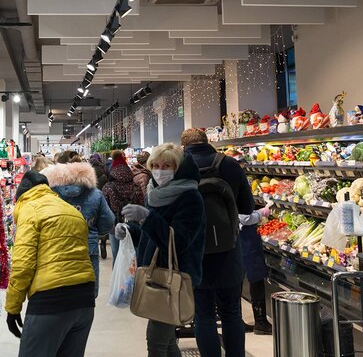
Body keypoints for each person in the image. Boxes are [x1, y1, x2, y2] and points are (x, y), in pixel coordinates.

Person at [115, 143, 206, 357]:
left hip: (175, 276)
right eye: (155, 165)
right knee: (167, 342)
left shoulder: (190, 197)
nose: (159, 171)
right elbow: (151, 236)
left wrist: (147, 217)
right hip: (157, 274)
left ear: (178, 168)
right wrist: (130, 230)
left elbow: (179, 241)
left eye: (166, 166)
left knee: (156, 340)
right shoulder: (156, 193)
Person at [5, 170, 97, 357]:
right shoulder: (72, 211)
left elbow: (23, 265)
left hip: (50, 302)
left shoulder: (30, 209)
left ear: (21, 196)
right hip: (84, 300)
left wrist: (13, 308)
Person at [181, 128, 254, 357]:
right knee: (231, 313)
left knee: (203, 315)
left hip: (194, 252)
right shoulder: (230, 164)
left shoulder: (179, 167)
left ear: (184, 146)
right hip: (228, 250)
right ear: (207, 141)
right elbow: (247, 207)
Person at [43, 155, 115, 297]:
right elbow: (107, 223)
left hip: (55, 250)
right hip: (87, 250)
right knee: (86, 297)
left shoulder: (50, 193)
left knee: (58, 296)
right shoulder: (95, 194)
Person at [102, 150, 145, 263]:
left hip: (115, 226)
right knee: (134, 258)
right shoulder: (136, 186)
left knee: (117, 258)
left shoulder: (108, 187)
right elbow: (142, 205)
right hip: (134, 227)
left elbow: (105, 210)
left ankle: (117, 275)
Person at [239, 204, 274, 335]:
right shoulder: (237, 192)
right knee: (256, 277)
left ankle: (237, 321)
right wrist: (261, 213)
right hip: (246, 238)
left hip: (241, 236)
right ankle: (260, 322)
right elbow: (245, 218)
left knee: (239, 278)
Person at [87, 152, 111, 258]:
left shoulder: (88, 176)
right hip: (102, 200)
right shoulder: (104, 175)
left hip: (91, 201)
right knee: (101, 221)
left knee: (92, 224)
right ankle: (103, 243)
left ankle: (94, 242)